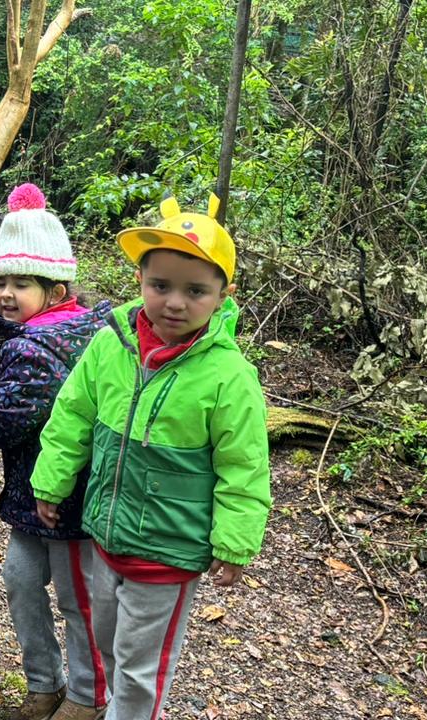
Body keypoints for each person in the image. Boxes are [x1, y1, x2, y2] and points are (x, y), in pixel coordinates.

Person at [31, 195, 272, 720]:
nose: (175, 303)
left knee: (142, 669)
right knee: (110, 645)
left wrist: (234, 540)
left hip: (168, 550)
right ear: (140, 279)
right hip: (106, 537)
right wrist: (52, 481)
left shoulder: (229, 376)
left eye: (195, 291)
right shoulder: (111, 345)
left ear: (224, 295)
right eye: (161, 285)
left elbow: (244, 466)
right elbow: (72, 415)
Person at [0, 183, 111, 720]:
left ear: (56, 288)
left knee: (76, 600)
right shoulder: (79, 329)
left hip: (69, 502)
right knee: (21, 582)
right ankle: (44, 686)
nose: (6, 294)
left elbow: (11, 415)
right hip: (32, 495)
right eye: (1, 282)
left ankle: (88, 697)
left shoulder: (35, 347)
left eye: (21, 283)